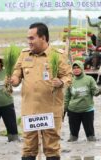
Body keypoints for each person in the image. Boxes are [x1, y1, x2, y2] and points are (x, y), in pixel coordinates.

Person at [10, 22, 72, 160]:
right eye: (28, 38)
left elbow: (69, 76)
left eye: (32, 38)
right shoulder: (24, 54)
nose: (29, 42)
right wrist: (14, 79)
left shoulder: (58, 55)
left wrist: (61, 82)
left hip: (51, 110)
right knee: (28, 147)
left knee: (52, 148)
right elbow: (17, 72)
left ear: (43, 38)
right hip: (30, 110)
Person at [64, 60, 101, 142]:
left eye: (78, 67)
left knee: (91, 138)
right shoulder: (70, 81)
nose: (76, 69)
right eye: (74, 68)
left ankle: (91, 154)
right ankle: (74, 153)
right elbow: (67, 97)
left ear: (82, 68)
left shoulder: (89, 79)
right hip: (73, 111)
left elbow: (94, 92)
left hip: (87, 111)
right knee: (73, 138)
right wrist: (65, 110)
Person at [0, 54, 20, 143]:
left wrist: (13, 81)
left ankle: (13, 139)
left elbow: (16, 82)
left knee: (12, 130)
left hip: (8, 105)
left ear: (1, 63)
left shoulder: (7, 72)